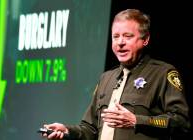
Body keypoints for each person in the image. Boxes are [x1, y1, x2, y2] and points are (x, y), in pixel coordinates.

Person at [41, 9, 191, 140]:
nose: (120, 42)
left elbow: (181, 122)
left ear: (145, 40)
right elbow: (90, 129)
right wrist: (67, 131)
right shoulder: (106, 78)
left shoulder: (162, 73)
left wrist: (136, 120)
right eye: (115, 36)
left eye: (127, 36)